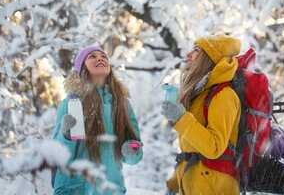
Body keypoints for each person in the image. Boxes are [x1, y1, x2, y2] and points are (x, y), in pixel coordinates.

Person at [52, 44, 143, 195]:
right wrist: (66, 136)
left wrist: (131, 150)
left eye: (103, 57)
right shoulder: (71, 103)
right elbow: (58, 156)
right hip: (75, 189)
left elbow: (134, 157)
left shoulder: (122, 104)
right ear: (81, 67)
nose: (99, 59)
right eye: (92, 57)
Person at [162, 35, 242, 195]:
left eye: (196, 50)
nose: (188, 55)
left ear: (208, 58)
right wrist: (174, 183)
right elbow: (192, 151)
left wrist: (182, 119)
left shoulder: (223, 95)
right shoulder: (201, 95)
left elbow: (214, 147)